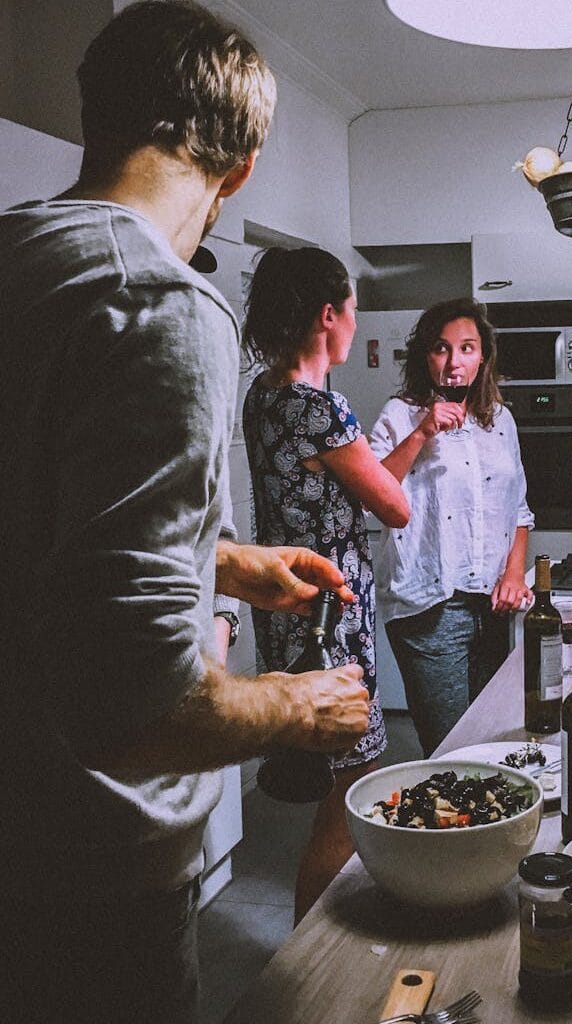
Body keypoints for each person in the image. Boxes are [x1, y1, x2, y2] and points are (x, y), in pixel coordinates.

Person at [0, 5, 370, 1022]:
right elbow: (137, 704)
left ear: (96, 114)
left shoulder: (20, 260)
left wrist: (224, 559)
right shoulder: (159, 301)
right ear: (241, 164)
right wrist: (303, 704)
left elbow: (36, 526)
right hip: (87, 874)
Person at [241, 246, 409, 923]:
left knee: (336, 779)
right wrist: (421, 437)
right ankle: (308, 959)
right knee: (352, 785)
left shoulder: (265, 396)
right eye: (353, 313)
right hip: (329, 618)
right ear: (328, 314)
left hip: (286, 610)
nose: (354, 327)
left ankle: (320, 940)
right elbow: (392, 505)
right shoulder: (321, 408)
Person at [370, 298, 534, 756]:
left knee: (494, 745)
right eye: (442, 349)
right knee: (451, 752)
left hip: (493, 609)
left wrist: (514, 574)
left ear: (483, 357)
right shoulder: (400, 414)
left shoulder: (500, 420)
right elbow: (374, 494)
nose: (454, 361)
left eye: (466, 348)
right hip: (429, 607)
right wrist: (422, 433)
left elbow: (518, 508)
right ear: (427, 357)